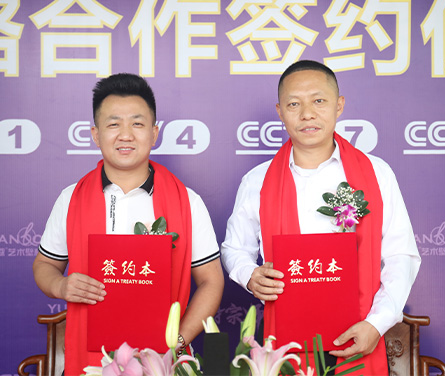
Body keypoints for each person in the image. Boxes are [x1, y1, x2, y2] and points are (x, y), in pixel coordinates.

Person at [221, 60, 421, 375]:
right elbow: (234, 248)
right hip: (287, 339)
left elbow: (401, 256)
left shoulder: (376, 173)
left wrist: (376, 324)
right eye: (294, 104)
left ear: (339, 105)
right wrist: (249, 274)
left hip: (360, 331)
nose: (307, 114)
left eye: (318, 101)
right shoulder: (257, 181)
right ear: (280, 111)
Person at [33, 73, 224, 375]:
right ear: (95, 134)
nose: (125, 135)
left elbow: (211, 281)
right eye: (113, 124)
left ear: (154, 133)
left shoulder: (187, 201)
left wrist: (176, 341)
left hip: (161, 359)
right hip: (90, 358)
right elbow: (45, 265)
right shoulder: (71, 198)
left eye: (137, 124)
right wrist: (61, 285)